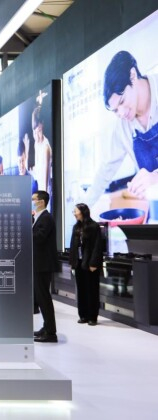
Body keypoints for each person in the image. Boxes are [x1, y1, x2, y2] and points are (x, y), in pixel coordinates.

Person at [84, 50, 158, 204]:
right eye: (115, 110)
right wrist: (83, 207)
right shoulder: (122, 127)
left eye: (122, 101)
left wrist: (155, 177)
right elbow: (106, 169)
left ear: (133, 76)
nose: (122, 113)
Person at [69, 203, 103, 326]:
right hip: (78, 263)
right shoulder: (76, 227)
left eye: (76, 211)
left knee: (92, 290)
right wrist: (72, 262)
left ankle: (92, 317)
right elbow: (73, 246)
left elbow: (97, 247)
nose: (74, 213)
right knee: (81, 289)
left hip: (90, 264)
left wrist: (94, 263)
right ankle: (83, 315)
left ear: (83, 212)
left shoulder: (94, 226)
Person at [32, 190, 59, 343]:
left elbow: (39, 237)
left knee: (44, 298)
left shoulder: (46, 218)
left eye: (34, 199)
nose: (32, 202)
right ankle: (46, 327)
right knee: (41, 298)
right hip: (39, 263)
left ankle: (51, 333)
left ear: (41, 202)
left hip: (43, 264)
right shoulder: (40, 217)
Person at [30, 105, 52, 196]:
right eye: (34, 132)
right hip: (40, 188)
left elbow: (46, 179)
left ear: (42, 126)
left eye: (38, 131)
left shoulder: (46, 147)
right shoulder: (36, 143)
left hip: (46, 191)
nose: (36, 136)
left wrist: (44, 197)